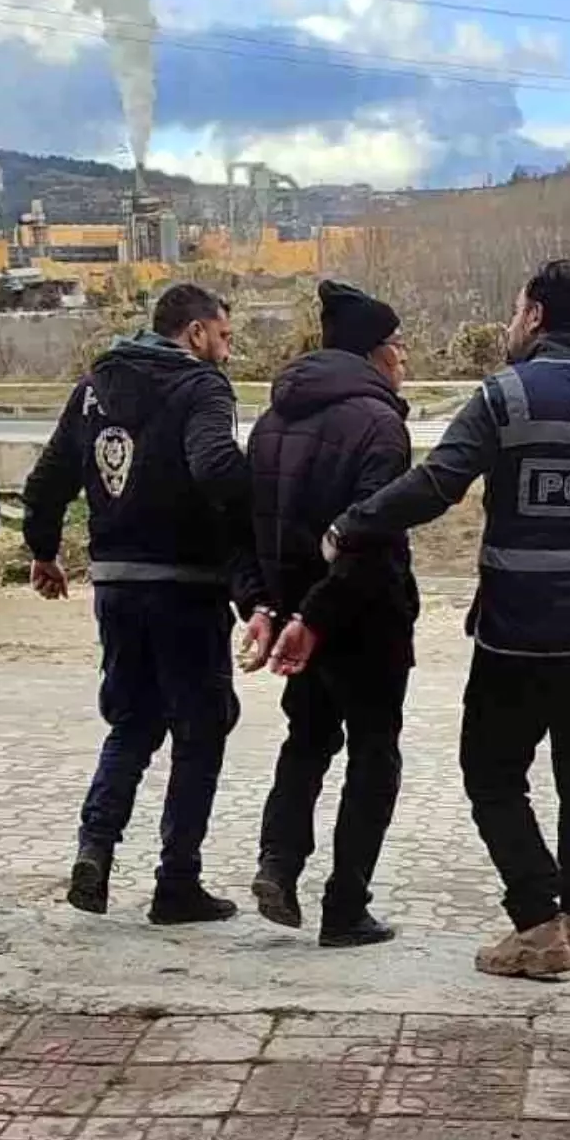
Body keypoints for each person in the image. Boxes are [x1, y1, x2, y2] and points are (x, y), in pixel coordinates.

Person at [323, 257, 570, 982]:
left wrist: (353, 524)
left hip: (518, 633)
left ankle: (537, 924)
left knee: (492, 773)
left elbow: (438, 483)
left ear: (536, 317)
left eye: (514, 310)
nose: (509, 324)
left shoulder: (506, 396)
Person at [22, 282, 272, 926]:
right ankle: (176, 883)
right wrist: (269, 503)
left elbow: (47, 478)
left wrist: (44, 551)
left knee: (132, 724)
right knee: (200, 731)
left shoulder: (93, 387)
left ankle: (95, 851)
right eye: (223, 336)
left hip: (115, 584)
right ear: (195, 332)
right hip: (185, 588)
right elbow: (216, 468)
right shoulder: (202, 387)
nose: (227, 349)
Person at [248, 279, 417, 949]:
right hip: (365, 618)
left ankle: (277, 864)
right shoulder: (380, 425)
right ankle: (346, 906)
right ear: (374, 352)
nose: (405, 357)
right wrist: (318, 615)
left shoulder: (271, 421)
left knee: (308, 740)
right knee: (374, 755)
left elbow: (254, 525)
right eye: (398, 345)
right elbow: (370, 539)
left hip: (297, 619)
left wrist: (275, 607)